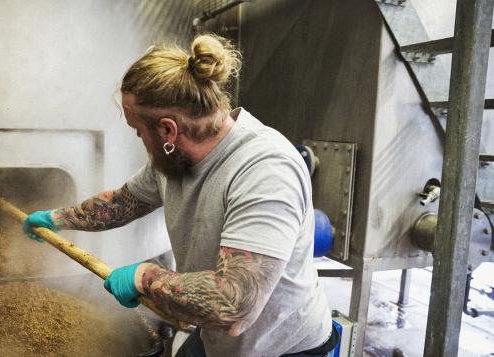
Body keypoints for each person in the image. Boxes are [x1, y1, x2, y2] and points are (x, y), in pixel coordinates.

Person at [23, 34, 335, 356]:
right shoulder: (173, 160)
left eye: (139, 132)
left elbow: (233, 302)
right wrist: (56, 218)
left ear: (168, 130)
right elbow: (123, 202)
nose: (140, 140)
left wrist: (144, 278)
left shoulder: (265, 170)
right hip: (216, 336)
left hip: (279, 347)